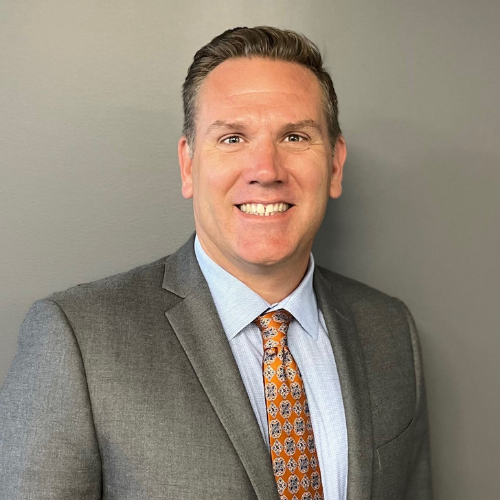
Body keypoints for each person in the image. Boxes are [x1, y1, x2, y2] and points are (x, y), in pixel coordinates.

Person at [0, 26, 432, 500]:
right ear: (189, 165)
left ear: (334, 164)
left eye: (294, 136)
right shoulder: (78, 341)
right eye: (232, 138)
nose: (266, 170)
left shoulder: (389, 330)